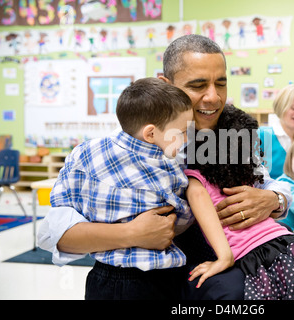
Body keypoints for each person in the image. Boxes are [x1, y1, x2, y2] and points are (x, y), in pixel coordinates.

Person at [38, 34, 292, 300]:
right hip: (137, 284)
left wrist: (274, 200)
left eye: (221, 84)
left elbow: (269, 183)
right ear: (166, 84)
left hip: (221, 279)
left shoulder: (231, 134)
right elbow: (53, 234)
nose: (213, 98)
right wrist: (130, 233)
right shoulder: (113, 152)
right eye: (198, 85)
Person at [185, 105, 294, 300]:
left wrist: (224, 258)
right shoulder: (244, 174)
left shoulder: (196, 182)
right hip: (291, 244)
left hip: (256, 257)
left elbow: (202, 203)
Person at [47, 78, 194, 299]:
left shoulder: (84, 153)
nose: (185, 139)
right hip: (155, 278)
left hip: (104, 277)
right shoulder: (165, 166)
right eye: (182, 132)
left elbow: (59, 203)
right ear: (151, 134)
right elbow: (180, 217)